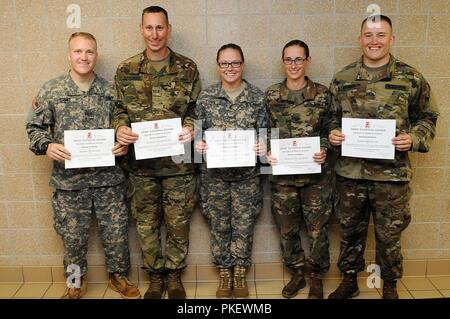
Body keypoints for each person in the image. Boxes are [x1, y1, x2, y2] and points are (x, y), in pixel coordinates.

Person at [328, 15, 439, 299]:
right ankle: (349, 280)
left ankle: (389, 285)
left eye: (380, 35)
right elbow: (329, 118)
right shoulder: (342, 78)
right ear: (360, 39)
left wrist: (413, 138)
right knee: (350, 232)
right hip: (351, 174)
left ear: (392, 39)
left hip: (392, 176)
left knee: (389, 236)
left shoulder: (410, 77)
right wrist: (333, 133)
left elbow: (427, 117)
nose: (374, 41)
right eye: (368, 35)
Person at [25, 32, 140, 299]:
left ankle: (118, 276)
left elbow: (124, 127)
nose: (84, 57)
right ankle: (75, 282)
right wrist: (47, 146)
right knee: (73, 237)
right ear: (69, 55)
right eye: (78, 51)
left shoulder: (111, 91)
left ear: (96, 56)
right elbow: (34, 127)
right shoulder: (51, 90)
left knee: (116, 232)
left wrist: (123, 144)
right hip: (69, 183)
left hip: (108, 180)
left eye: (89, 52)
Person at [113, 6, 201, 299]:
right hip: (140, 166)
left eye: (160, 28)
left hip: (179, 166)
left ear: (169, 29)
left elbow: (197, 109)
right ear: (141, 29)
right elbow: (117, 110)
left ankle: (174, 277)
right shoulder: (126, 70)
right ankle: (155, 277)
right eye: (149, 28)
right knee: (146, 225)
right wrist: (120, 128)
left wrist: (191, 127)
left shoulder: (187, 68)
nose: (154, 34)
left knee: (178, 223)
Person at [195, 43, 267, 298]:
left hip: (247, 178)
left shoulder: (257, 97)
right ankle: (224, 273)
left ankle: (240, 271)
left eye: (235, 63)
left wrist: (264, 148)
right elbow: (193, 139)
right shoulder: (205, 97)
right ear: (218, 67)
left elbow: (268, 134)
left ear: (242, 65)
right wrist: (197, 146)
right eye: (225, 63)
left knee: (244, 224)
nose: (230, 68)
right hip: (214, 178)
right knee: (219, 225)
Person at [265, 40, 332, 299]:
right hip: (283, 179)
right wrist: (268, 151)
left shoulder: (323, 94)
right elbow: (265, 130)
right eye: (288, 59)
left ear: (307, 61)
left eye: (298, 59)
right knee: (287, 229)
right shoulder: (271, 95)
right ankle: (296, 274)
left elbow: (332, 127)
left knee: (317, 230)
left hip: (316, 178)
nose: (293, 64)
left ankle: (316, 277)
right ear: (283, 62)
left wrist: (325, 147)